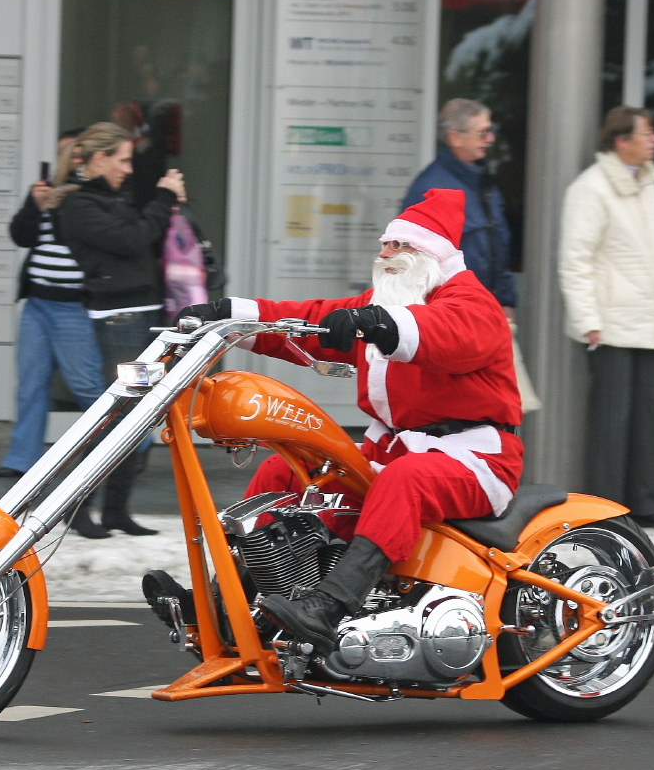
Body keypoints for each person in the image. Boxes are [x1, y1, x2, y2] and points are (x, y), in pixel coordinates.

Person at [178, 189, 520, 654]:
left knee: (406, 481)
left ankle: (328, 608)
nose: (382, 253)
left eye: (397, 245)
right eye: (384, 244)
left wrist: (374, 322)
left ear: (428, 253)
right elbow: (310, 320)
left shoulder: (470, 303)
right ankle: (229, 600)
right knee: (285, 470)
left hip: (473, 456)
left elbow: (441, 334)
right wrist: (230, 317)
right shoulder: (382, 304)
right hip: (392, 450)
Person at [58, 122, 186, 536]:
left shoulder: (111, 199)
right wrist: (163, 197)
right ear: (99, 159)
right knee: (118, 416)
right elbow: (134, 240)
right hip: (120, 320)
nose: (128, 169)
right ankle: (76, 508)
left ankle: (115, 510)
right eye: (123, 160)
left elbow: (143, 239)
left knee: (138, 415)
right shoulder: (78, 207)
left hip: (142, 315)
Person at [558, 106, 654, 529]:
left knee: (646, 417)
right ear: (620, 141)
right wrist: (587, 317)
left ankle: (644, 504)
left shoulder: (649, 184)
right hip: (610, 322)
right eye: (647, 133)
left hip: (650, 319)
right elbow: (575, 260)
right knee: (611, 422)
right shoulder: (591, 189)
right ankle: (606, 509)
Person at [0, 129, 110, 537]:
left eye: (75, 152)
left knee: (88, 388)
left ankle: (119, 451)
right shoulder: (46, 190)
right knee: (31, 382)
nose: (70, 157)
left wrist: (57, 204)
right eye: (65, 150)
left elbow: (77, 239)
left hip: (72, 307)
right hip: (38, 304)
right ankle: (22, 457)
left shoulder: (87, 196)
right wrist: (34, 203)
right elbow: (21, 235)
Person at [402, 98, 538, 414]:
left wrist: (505, 300)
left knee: (501, 402)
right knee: (471, 405)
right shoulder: (434, 188)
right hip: (452, 319)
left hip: (484, 312)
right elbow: (412, 260)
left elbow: (496, 248)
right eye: (482, 133)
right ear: (455, 137)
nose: (490, 140)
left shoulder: (482, 184)